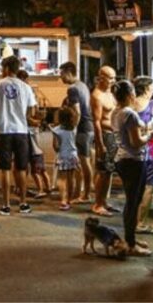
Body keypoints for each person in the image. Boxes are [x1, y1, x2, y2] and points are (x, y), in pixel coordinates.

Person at [0, 55, 36, 216]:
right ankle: (23, 203)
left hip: (4, 130)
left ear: (7, 68)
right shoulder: (26, 87)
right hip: (22, 131)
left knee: (5, 169)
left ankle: (6, 204)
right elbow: (31, 111)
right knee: (21, 168)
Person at [111, 80, 153, 257]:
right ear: (130, 95)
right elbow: (136, 142)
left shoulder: (116, 112)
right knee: (133, 202)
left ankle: (131, 238)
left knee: (131, 201)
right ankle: (130, 243)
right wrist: (149, 135)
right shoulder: (129, 114)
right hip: (133, 161)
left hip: (122, 159)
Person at [60, 61, 94, 204]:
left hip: (82, 129)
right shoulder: (83, 85)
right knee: (82, 162)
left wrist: (72, 130)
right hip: (89, 126)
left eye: (61, 74)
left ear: (69, 72)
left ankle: (86, 194)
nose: (60, 78)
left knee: (84, 162)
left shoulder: (73, 89)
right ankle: (79, 193)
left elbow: (77, 112)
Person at [134, 76, 153, 234]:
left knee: (136, 188)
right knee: (149, 187)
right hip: (151, 151)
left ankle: (133, 220)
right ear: (145, 89)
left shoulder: (130, 104)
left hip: (135, 150)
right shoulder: (152, 105)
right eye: (152, 88)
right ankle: (140, 223)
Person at [91, 66, 119, 216]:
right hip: (105, 136)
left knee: (109, 172)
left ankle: (103, 201)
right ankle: (97, 204)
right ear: (101, 77)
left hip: (114, 136)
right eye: (109, 78)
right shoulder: (97, 95)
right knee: (103, 172)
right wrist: (100, 143)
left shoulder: (110, 93)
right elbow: (96, 122)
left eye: (114, 78)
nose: (112, 81)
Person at [18, 70, 49, 199]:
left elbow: (29, 115)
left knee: (30, 164)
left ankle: (39, 188)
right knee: (39, 165)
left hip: (28, 132)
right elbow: (35, 112)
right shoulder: (29, 91)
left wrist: (33, 121)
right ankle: (46, 187)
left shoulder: (25, 91)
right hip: (31, 131)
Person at [50, 104, 80, 211]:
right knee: (71, 178)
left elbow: (56, 146)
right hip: (73, 155)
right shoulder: (74, 129)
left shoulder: (56, 130)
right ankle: (69, 199)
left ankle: (63, 199)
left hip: (63, 155)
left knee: (61, 179)